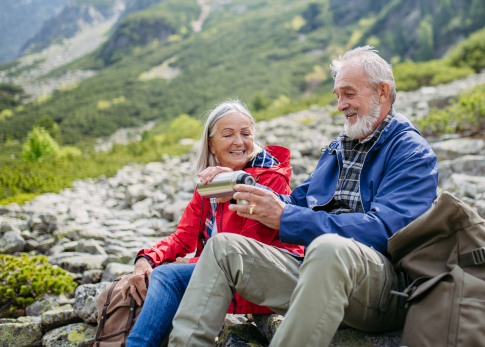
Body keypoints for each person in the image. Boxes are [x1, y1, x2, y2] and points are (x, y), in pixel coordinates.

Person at [168, 46, 439, 347]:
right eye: (337, 95)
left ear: (382, 92)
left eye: (348, 94)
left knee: (328, 248)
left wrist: (289, 217)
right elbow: (298, 200)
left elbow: (388, 232)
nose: (340, 105)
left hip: (382, 291)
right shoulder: (341, 146)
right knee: (222, 249)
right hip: (319, 272)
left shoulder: (411, 152)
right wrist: (243, 189)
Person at [124, 100, 304, 347]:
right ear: (211, 143)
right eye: (228, 134)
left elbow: (253, 244)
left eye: (246, 134)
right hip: (224, 273)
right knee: (160, 273)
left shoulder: (270, 180)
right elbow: (182, 237)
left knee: (168, 277)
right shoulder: (209, 184)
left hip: (265, 273)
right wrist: (146, 259)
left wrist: (236, 189)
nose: (239, 142)